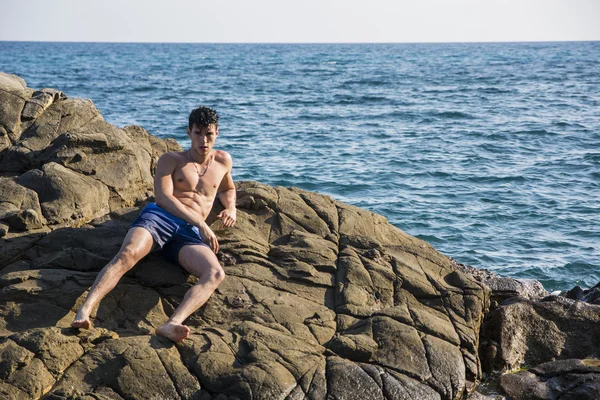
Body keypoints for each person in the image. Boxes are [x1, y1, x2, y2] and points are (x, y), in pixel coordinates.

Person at [71, 106, 236, 342]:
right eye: (198, 133)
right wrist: (201, 222)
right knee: (128, 253)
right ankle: (85, 309)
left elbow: (228, 188)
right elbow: (163, 198)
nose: (203, 140)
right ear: (189, 132)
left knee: (215, 273)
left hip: (187, 234)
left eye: (209, 134)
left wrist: (231, 207)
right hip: (160, 218)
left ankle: (172, 323)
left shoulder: (223, 160)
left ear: (217, 133)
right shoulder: (171, 160)